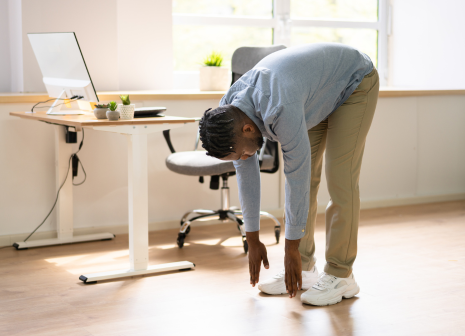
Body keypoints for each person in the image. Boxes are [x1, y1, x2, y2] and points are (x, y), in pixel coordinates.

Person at [199, 43, 379, 306]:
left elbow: (296, 175)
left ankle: (341, 275)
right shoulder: (229, 113)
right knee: (309, 182)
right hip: (315, 91)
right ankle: (304, 268)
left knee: (340, 179)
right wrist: (252, 238)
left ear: (249, 129)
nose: (244, 159)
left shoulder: (280, 107)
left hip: (354, 81)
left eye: (242, 154)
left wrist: (289, 248)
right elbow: (247, 175)